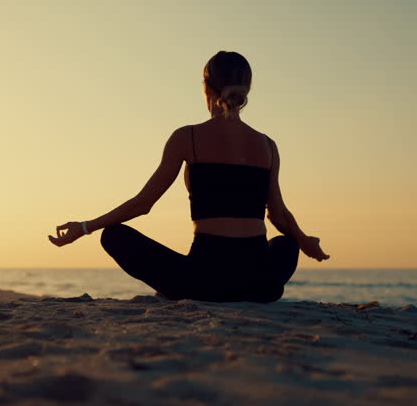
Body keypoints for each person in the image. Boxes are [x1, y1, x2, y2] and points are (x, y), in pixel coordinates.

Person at [47, 51, 329, 302]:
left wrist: (84, 227)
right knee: (287, 243)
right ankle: (250, 280)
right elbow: (278, 215)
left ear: (206, 87)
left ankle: (174, 288)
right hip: (259, 285)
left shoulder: (187, 137)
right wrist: (305, 241)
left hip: (203, 281)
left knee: (114, 235)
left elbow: (142, 204)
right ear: (246, 90)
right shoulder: (268, 145)